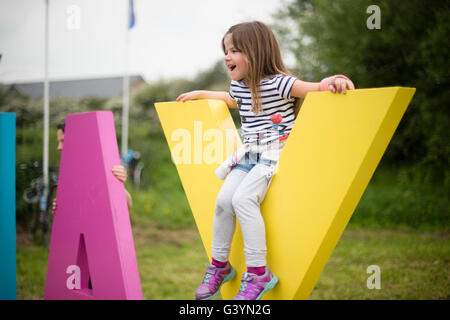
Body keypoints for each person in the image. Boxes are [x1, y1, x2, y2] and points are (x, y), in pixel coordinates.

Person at [176, 21, 355, 300]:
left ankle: (259, 274)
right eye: (225, 50)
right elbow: (229, 98)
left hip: (274, 154)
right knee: (223, 201)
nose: (226, 56)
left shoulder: (279, 83)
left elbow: (314, 87)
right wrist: (201, 94)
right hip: (250, 154)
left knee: (242, 200)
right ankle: (220, 266)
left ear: (255, 51)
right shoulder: (241, 86)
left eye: (234, 50)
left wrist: (335, 80)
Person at [52, 122, 133, 213]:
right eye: (58, 142)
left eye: (62, 141)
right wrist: (59, 209)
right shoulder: (68, 172)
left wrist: (117, 184)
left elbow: (127, 205)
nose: (58, 147)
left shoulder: (99, 166)